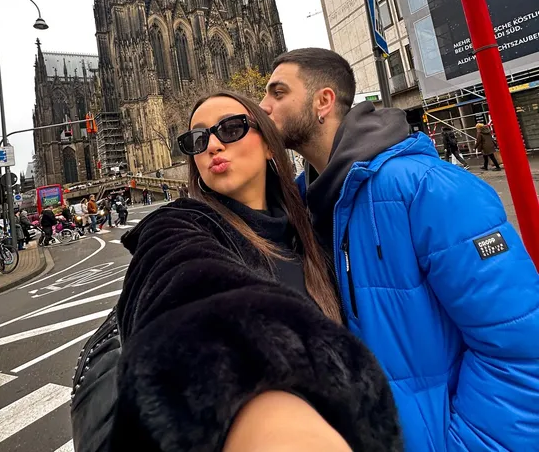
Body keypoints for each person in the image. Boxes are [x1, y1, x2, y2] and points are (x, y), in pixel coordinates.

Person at [71, 91, 401, 452]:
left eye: (231, 128)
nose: (212, 145)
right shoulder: (178, 226)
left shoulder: (313, 227)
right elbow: (187, 292)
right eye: (197, 139)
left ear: (270, 145)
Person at [261, 47, 539, 451]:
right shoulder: (306, 205)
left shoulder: (427, 187)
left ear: (323, 101)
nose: (264, 106)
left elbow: (521, 350)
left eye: (278, 92)